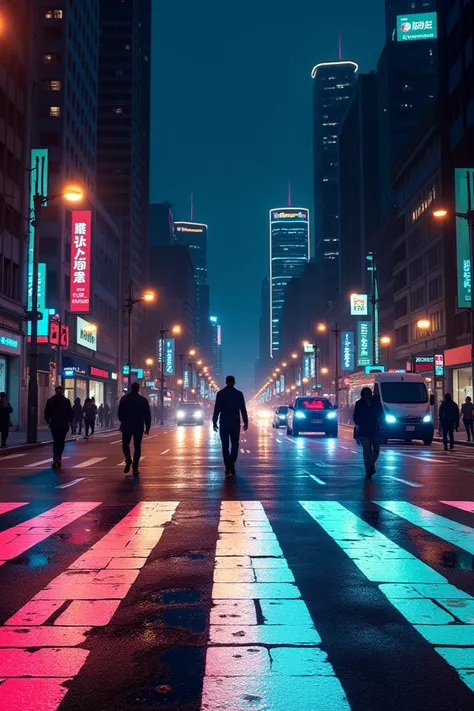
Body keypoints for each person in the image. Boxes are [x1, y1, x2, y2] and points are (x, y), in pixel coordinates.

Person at [213, 375, 248, 477]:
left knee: (225, 445)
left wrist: (214, 422)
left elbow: (216, 409)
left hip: (224, 422)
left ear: (226, 382)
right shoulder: (239, 394)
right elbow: (243, 409)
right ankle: (231, 463)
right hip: (234, 423)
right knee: (235, 444)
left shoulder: (220, 394)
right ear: (234, 382)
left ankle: (227, 466)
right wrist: (246, 421)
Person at [118, 381, 151, 475]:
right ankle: (135, 467)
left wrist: (122, 421)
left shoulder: (124, 399)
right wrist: (147, 426)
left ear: (131, 388)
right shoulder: (143, 400)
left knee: (125, 445)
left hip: (127, 425)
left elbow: (120, 412)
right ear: (138, 389)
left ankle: (128, 459)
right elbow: (147, 414)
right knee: (137, 446)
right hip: (138, 426)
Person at [353, 387, 383, 479]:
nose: (367, 395)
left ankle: (371, 463)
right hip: (364, 430)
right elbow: (355, 417)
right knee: (366, 451)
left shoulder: (375, 403)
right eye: (365, 394)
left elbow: (381, 414)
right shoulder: (359, 404)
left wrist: (382, 424)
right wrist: (361, 423)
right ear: (362, 395)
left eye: (369, 393)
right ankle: (368, 468)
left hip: (375, 429)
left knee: (376, 449)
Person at [44, 385, 73, 468]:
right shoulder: (66, 401)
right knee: (61, 441)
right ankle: (58, 457)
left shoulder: (50, 401)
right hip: (63, 425)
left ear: (55, 391)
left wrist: (49, 421)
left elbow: (46, 413)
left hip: (54, 425)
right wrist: (71, 423)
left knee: (56, 441)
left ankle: (56, 457)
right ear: (62, 392)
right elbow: (70, 413)